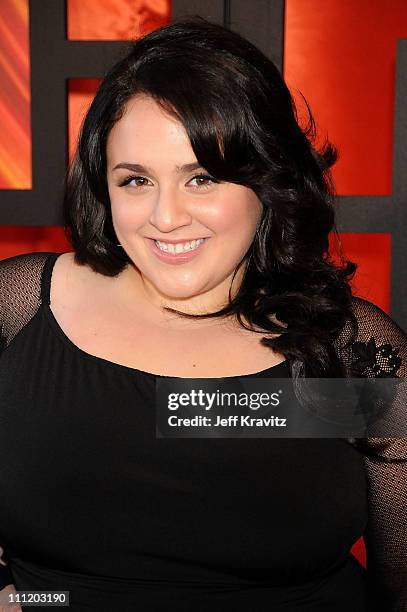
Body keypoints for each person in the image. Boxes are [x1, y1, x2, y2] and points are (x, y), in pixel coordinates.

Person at [0, 17, 406, 612]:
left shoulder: (352, 353)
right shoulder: (20, 309)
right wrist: (27, 600)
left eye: (202, 178)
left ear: (267, 181)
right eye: (136, 180)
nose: (166, 217)